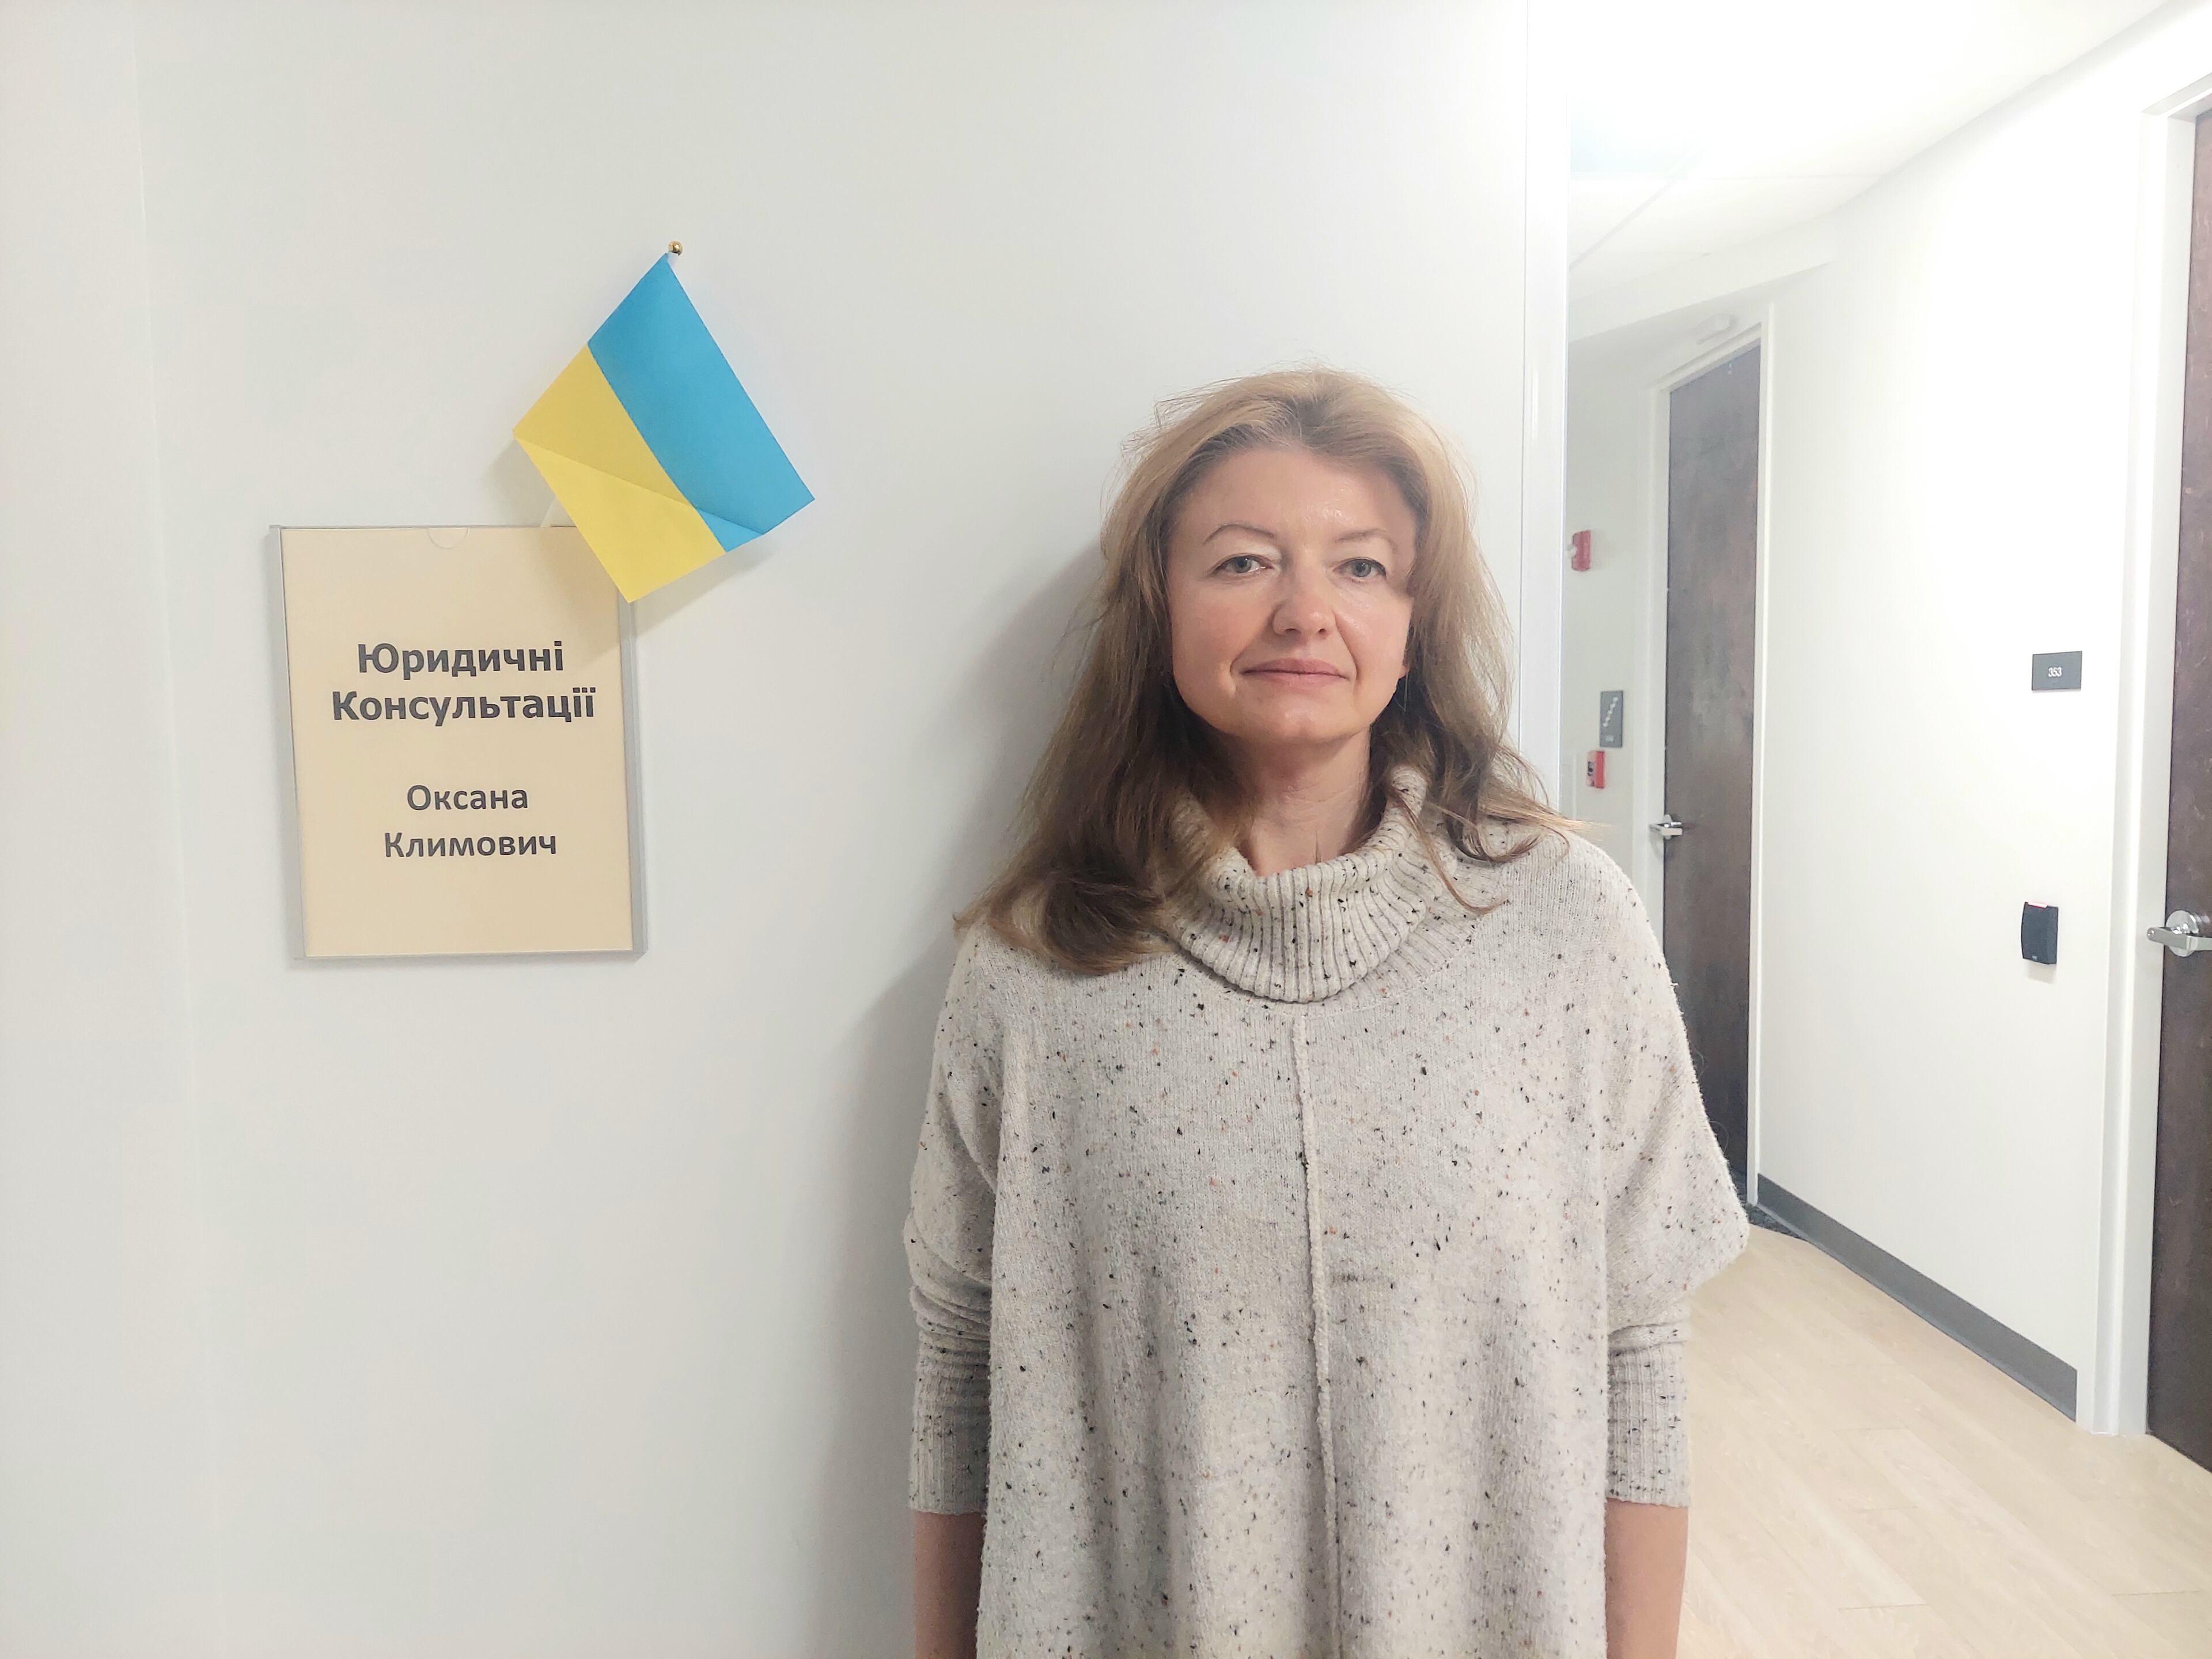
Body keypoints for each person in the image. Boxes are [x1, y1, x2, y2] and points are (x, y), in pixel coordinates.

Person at [903, 369, 1747, 1659]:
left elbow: (1637, 1346)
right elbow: (963, 1369)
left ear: (1415, 620)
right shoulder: (1034, 971)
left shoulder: (1567, 932)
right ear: (1159, 607)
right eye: (1242, 562)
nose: (1305, 612)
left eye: (1361, 569)